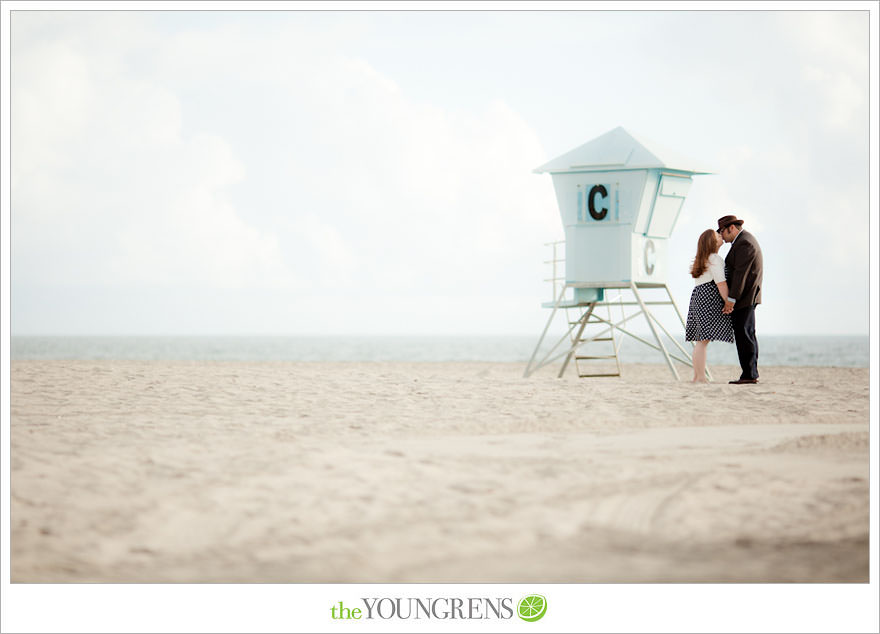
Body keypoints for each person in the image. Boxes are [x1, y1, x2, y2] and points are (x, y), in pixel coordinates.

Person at [717, 214, 763, 384]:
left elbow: (740, 275)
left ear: (731, 228)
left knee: (745, 335)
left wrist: (731, 299)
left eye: (722, 231)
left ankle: (749, 375)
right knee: (747, 334)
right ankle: (750, 373)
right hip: (745, 296)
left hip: (745, 297)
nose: (721, 235)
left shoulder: (744, 242)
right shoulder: (743, 241)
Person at [685, 229, 734, 382]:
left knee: (701, 341)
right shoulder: (714, 258)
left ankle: (697, 376)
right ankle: (700, 377)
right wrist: (728, 301)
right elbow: (721, 283)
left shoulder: (702, 258)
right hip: (708, 298)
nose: (721, 236)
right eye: (717, 235)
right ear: (711, 242)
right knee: (703, 341)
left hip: (699, 297)